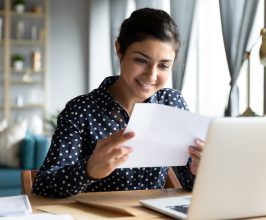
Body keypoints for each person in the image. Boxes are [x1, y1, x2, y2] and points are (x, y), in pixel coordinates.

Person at [32, 7, 204, 198]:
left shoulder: (172, 102)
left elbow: (189, 183)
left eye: (163, 65)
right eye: (141, 60)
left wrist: (200, 170)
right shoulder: (80, 111)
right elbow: (43, 186)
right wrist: (88, 170)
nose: (151, 75)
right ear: (119, 49)